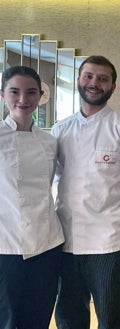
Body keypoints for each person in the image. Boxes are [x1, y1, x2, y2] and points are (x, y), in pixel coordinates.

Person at [52, 55, 120, 329]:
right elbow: (56, 177)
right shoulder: (60, 130)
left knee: (111, 317)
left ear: (113, 86)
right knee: (69, 317)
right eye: (88, 76)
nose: (94, 83)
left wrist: (112, 208)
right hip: (65, 240)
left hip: (108, 243)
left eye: (102, 78)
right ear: (78, 80)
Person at [0, 66, 64, 329]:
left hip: (46, 244)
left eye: (31, 92)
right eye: (15, 92)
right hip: (5, 246)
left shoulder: (49, 141)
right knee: (7, 320)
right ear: (3, 95)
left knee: (39, 318)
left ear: (41, 96)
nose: (23, 100)